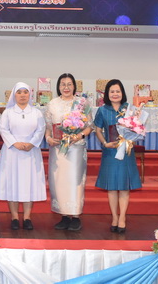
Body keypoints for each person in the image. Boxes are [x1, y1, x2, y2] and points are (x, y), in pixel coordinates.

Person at [94, 79, 145, 234]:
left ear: (122, 93)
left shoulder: (130, 109)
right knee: (111, 187)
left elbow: (138, 127)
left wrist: (132, 138)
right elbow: (98, 130)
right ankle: (114, 217)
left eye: (118, 91)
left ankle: (122, 217)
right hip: (110, 152)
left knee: (124, 186)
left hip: (126, 151)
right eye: (112, 91)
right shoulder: (102, 110)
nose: (115, 94)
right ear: (107, 94)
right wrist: (105, 143)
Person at [44, 73, 93, 231]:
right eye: (63, 84)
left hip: (76, 148)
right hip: (58, 149)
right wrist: (48, 138)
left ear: (74, 86)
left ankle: (76, 216)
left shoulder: (82, 103)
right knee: (59, 181)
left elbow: (90, 126)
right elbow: (48, 127)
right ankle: (64, 216)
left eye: (69, 84)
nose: (66, 87)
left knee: (75, 181)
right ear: (58, 87)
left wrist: (78, 136)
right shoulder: (52, 104)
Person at [0, 82, 46, 230]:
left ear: (29, 95)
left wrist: (31, 143)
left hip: (31, 151)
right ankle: (14, 217)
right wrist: (15, 143)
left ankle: (27, 217)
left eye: (25, 92)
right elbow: (3, 129)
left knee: (29, 182)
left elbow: (41, 130)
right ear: (14, 95)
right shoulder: (8, 112)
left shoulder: (36, 113)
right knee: (13, 182)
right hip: (12, 151)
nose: (23, 95)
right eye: (19, 92)